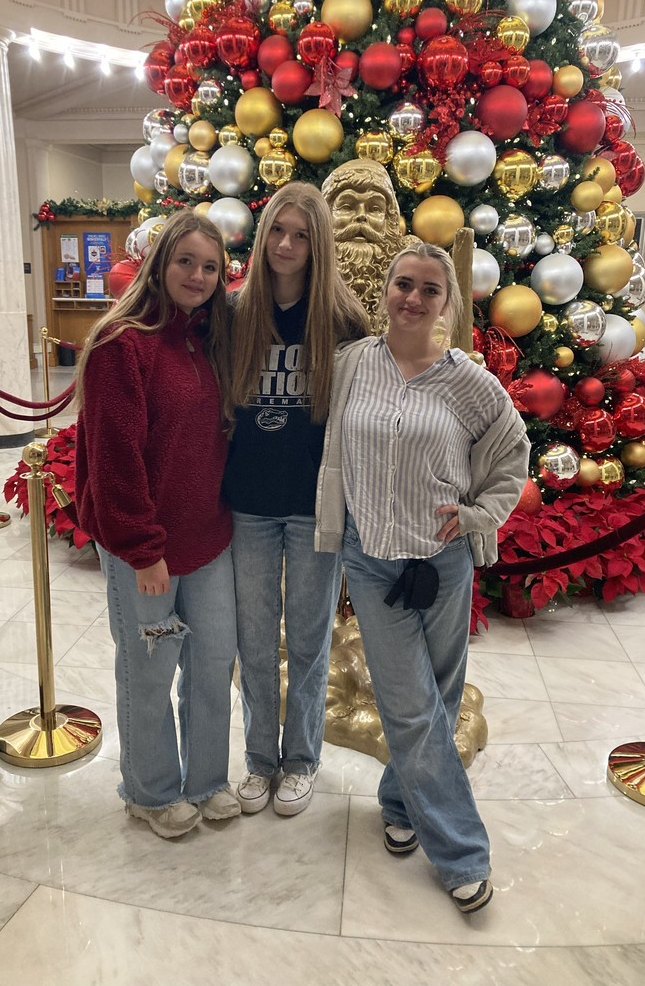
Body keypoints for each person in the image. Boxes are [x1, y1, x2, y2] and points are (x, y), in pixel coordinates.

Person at [315, 242, 530, 911]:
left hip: (442, 561)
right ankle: (462, 852)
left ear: (447, 304)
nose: (413, 298)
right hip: (372, 558)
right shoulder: (352, 365)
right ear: (387, 290)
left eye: (429, 289)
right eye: (403, 284)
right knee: (409, 705)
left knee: (438, 693)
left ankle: (398, 802)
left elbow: (513, 454)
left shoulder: (469, 382)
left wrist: (478, 515)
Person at [75, 210, 240, 839]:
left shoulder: (209, 339)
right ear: (160, 263)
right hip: (146, 551)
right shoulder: (122, 344)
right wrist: (143, 550)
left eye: (210, 267)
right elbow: (114, 458)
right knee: (149, 669)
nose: (197, 276)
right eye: (186, 261)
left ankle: (207, 781)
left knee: (211, 663)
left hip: (208, 540)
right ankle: (150, 791)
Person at [225, 182, 369, 817]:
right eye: (277, 231)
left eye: (301, 235)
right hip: (249, 502)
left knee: (309, 640)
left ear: (318, 244)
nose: (286, 244)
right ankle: (260, 759)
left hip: (315, 505)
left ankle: (302, 759)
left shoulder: (343, 320)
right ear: (263, 237)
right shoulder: (235, 311)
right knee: (255, 640)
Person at [321, 158, 415, 317]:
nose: (361, 216)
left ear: (389, 220)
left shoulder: (410, 269)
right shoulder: (305, 269)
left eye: (375, 209)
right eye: (347, 207)